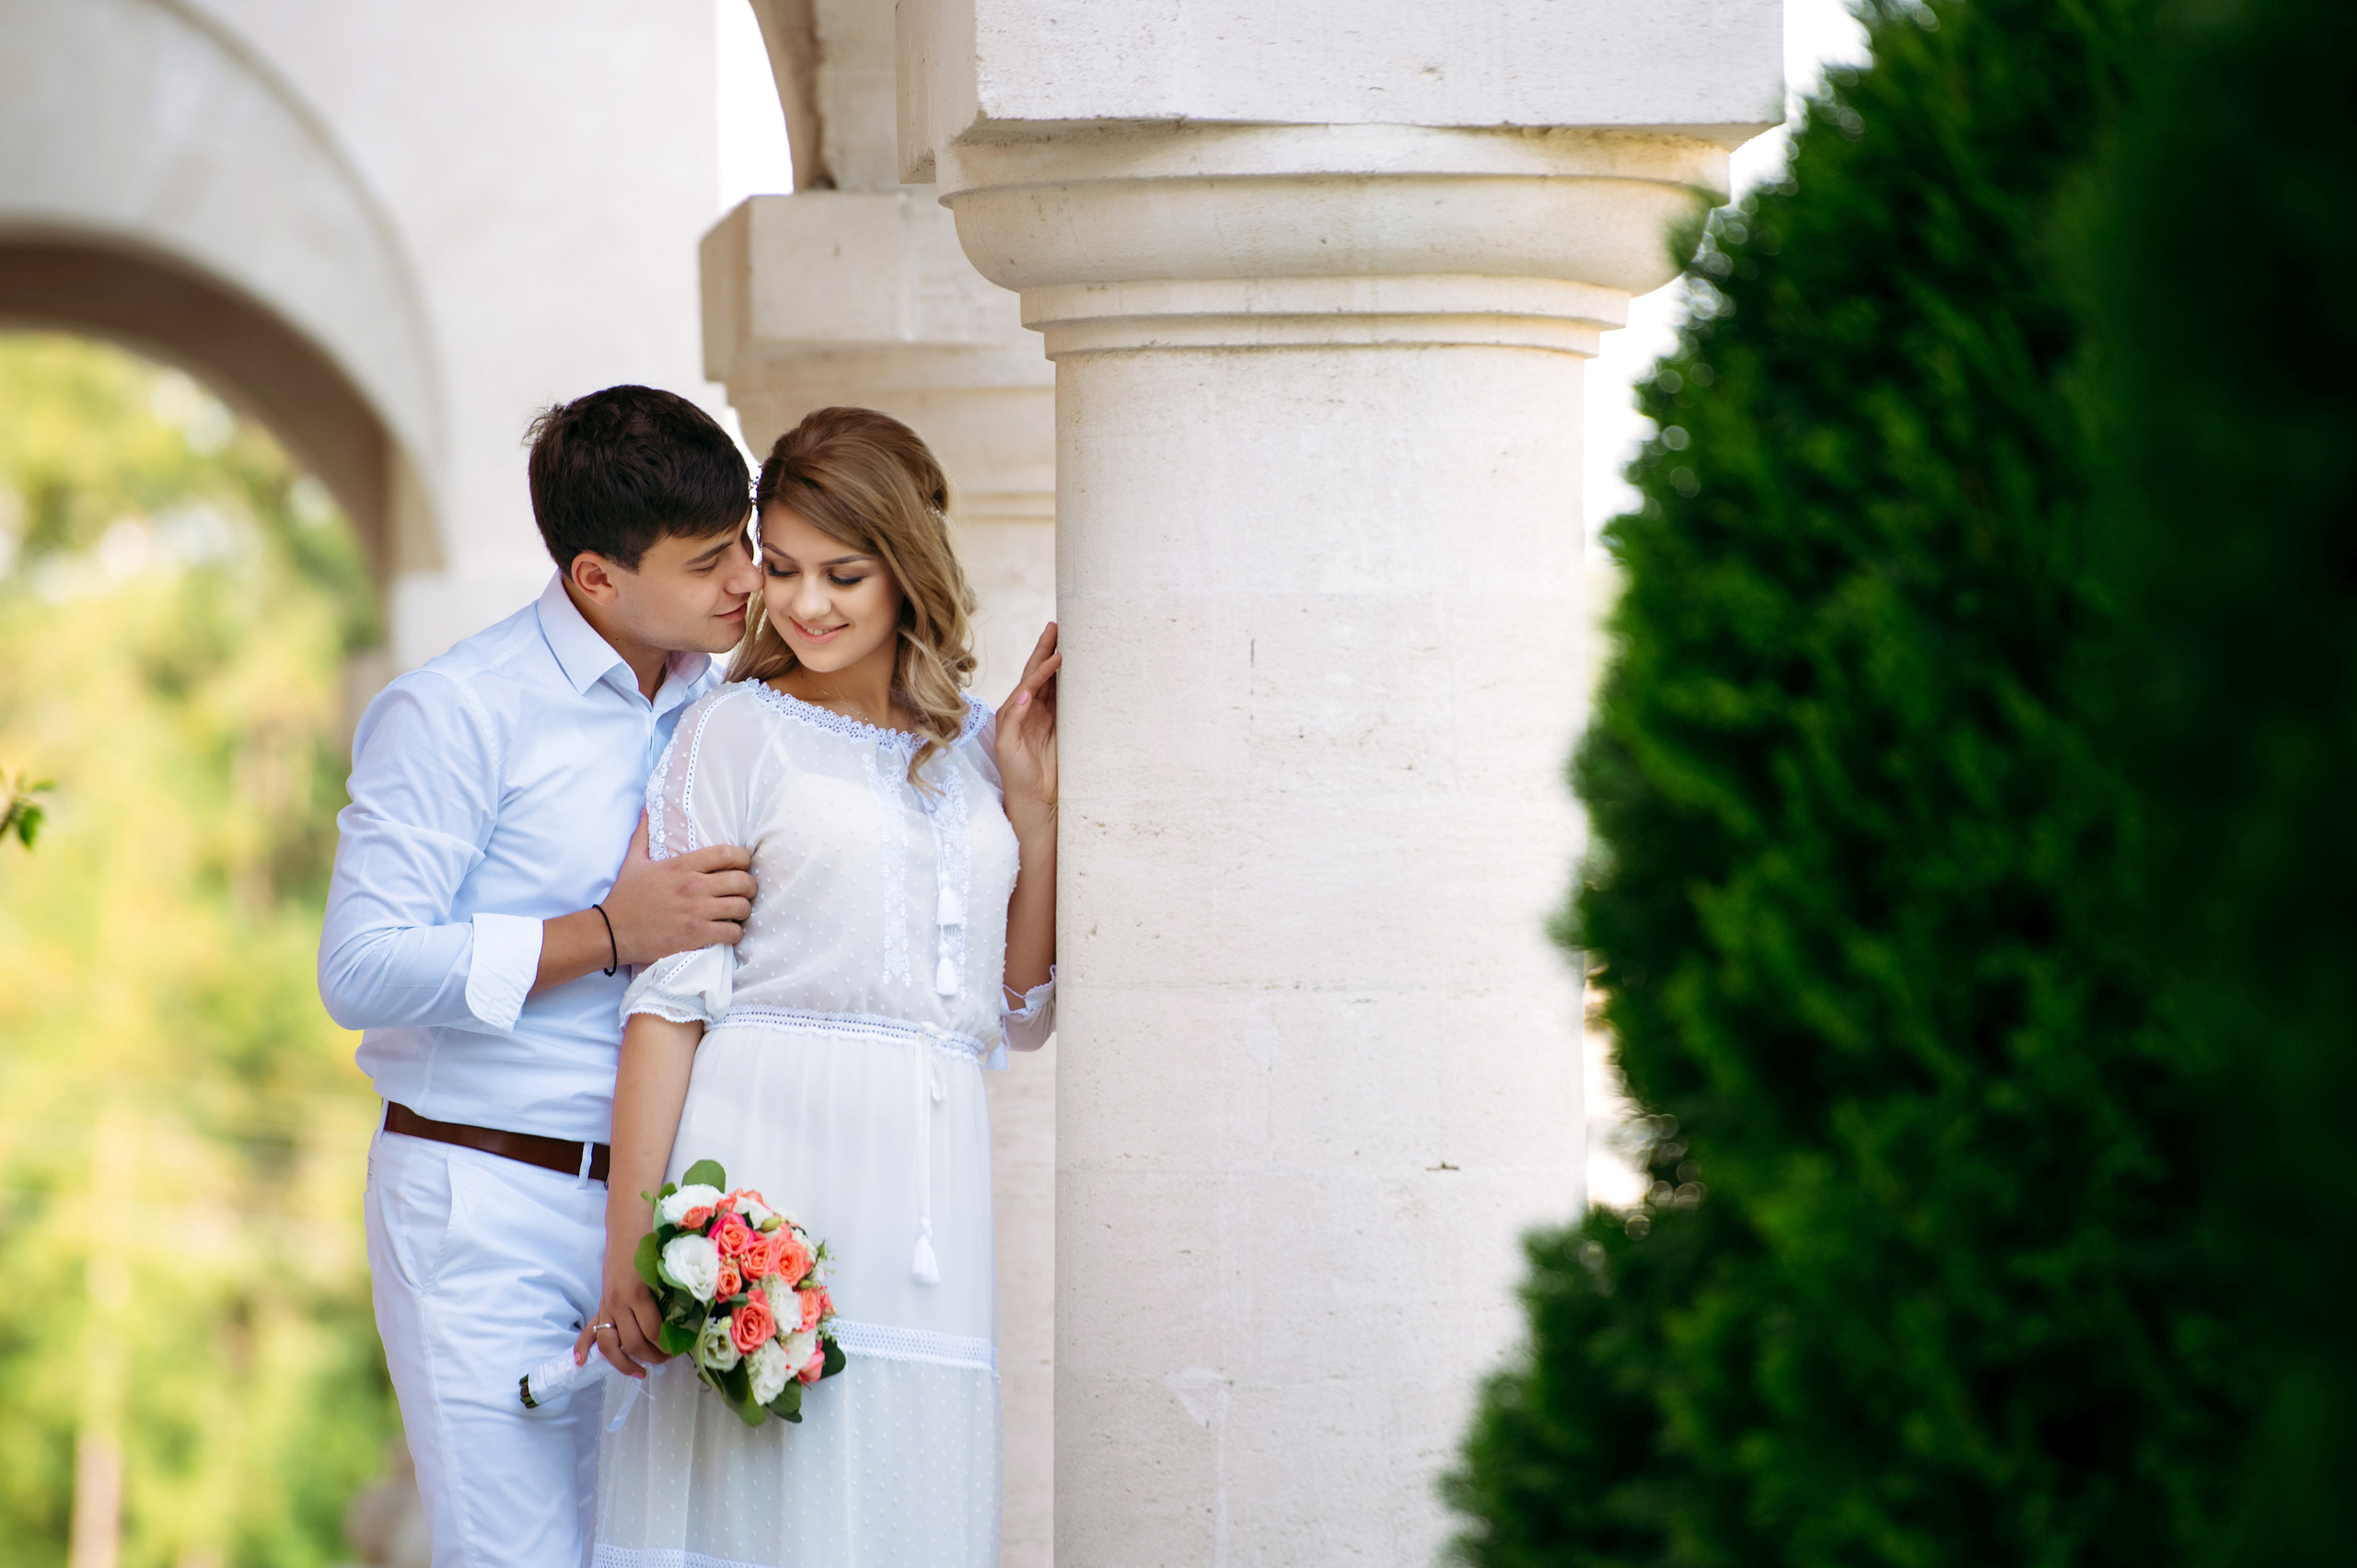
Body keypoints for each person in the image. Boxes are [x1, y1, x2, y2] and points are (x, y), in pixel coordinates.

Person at [579, 406, 1059, 1567]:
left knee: (905, 1490)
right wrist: (631, 1243)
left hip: (931, 1177)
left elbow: (1021, 1006)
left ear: (908, 567)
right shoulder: (735, 731)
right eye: (781, 568)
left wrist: (1035, 813)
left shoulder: (982, 747)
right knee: (766, 1495)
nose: (805, 604)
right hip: (768, 1157)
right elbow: (668, 999)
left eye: (844, 573)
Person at [319, 385, 766, 1566]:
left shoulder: (732, 702)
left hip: (674, 1216)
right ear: (596, 578)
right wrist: (610, 929)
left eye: (747, 540)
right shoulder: (456, 712)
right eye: (710, 557)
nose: (747, 578)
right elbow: (360, 965)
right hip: (484, 1202)